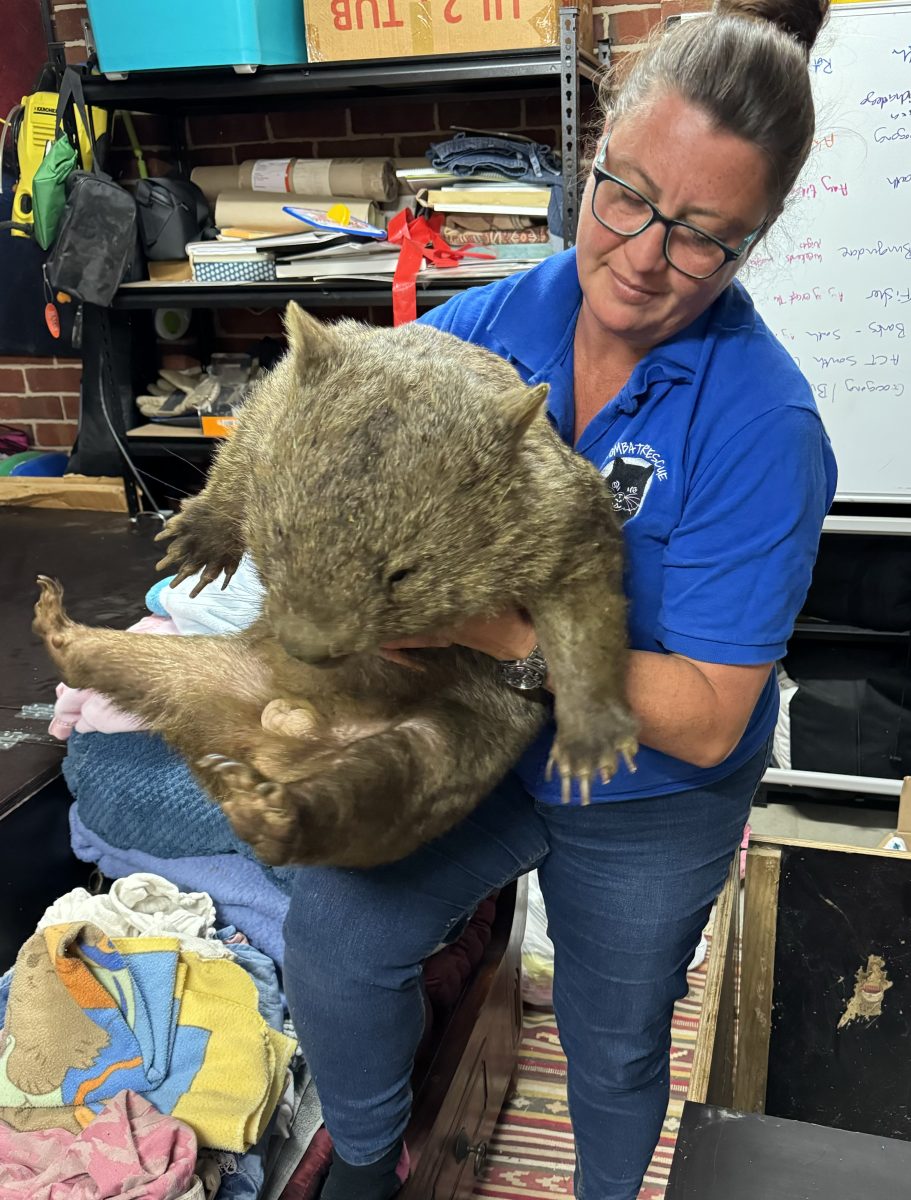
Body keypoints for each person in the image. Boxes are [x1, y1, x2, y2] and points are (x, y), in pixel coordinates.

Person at [282, 1, 837, 1197]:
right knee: (334, 934)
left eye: (699, 235)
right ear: (590, 159)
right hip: (481, 737)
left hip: (649, 788)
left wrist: (491, 630)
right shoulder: (484, 326)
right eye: (624, 195)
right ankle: (367, 1169)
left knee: (613, 1037)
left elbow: (700, 716)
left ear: (756, 238)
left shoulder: (764, 427)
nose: (641, 253)